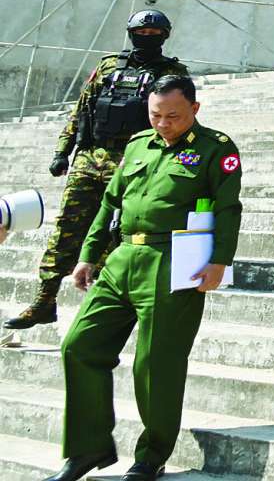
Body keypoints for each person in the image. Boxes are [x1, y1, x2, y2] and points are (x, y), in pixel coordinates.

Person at [46, 75, 240, 481]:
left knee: (155, 365)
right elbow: (109, 203)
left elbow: (227, 208)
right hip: (123, 258)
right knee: (79, 345)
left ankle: (151, 456)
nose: (163, 124)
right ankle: (88, 448)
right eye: (156, 115)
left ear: (194, 109)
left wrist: (220, 261)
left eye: (174, 116)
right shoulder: (137, 145)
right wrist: (88, 254)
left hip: (173, 261)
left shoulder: (215, 149)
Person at [6, 10, 189, 331]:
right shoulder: (108, 67)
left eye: (153, 33)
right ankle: (44, 301)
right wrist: (62, 152)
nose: (146, 37)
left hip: (134, 162)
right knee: (66, 229)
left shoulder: (173, 74)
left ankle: (100, 307)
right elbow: (82, 109)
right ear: (130, 33)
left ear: (165, 36)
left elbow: (178, 120)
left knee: (113, 234)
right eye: (141, 32)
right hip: (90, 158)